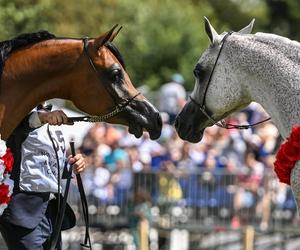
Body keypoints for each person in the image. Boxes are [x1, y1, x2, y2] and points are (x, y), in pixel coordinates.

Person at [0, 103, 86, 250]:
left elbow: (47, 163)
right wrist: (43, 117)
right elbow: (25, 123)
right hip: (22, 213)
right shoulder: (14, 108)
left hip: (51, 211)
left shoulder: (53, 115)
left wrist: (71, 166)